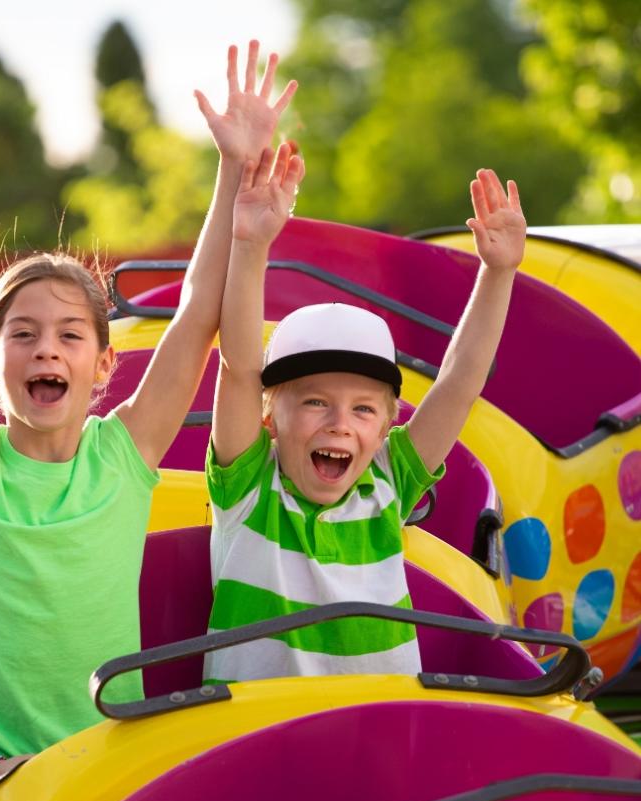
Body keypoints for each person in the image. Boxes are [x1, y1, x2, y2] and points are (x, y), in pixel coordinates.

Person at [0, 42, 297, 759]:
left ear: (103, 364)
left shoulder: (124, 452)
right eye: (22, 334)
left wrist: (233, 169)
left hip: (97, 766)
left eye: (68, 335)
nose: (46, 348)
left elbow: (196, 315)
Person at [204, 163, 526, 683]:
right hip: (258, 740)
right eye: (314, 402)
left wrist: (498, 272)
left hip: (377, 730)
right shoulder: (249, 490)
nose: (339, 424)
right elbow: (240, 367)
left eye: (362, 409)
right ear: (270, 417)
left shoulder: (387, 482)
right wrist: (250, 244)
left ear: (383, 429)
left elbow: (459, 384)